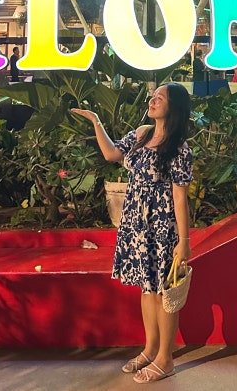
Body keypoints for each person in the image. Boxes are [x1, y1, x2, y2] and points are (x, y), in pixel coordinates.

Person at [72, 83, 193, 383]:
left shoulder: (179, 148)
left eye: (160, 98)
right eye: (153, 97)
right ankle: (150, 349)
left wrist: (184, 242)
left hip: (162, 228)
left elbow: (180, 198)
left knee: (165, 293)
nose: (152, 101)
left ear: (174, 108)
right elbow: (112, 154)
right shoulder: (141, 134)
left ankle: (165, 359)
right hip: (136, 226)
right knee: (147, 288)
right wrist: (96, 121)